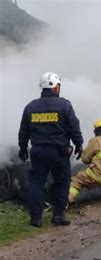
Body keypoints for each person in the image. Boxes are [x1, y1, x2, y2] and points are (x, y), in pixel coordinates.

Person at [18, 72, 83, 227]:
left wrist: (22, 147)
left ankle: (35, 218)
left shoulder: (30, 106)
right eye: (58, 86)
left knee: (36, 183)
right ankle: (58, 215)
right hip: (59, 152)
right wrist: (79, 144)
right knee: (61, 182)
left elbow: (24, 130)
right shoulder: (65, 105)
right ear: (55, 87)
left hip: (38, 152)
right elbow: (74, 127)